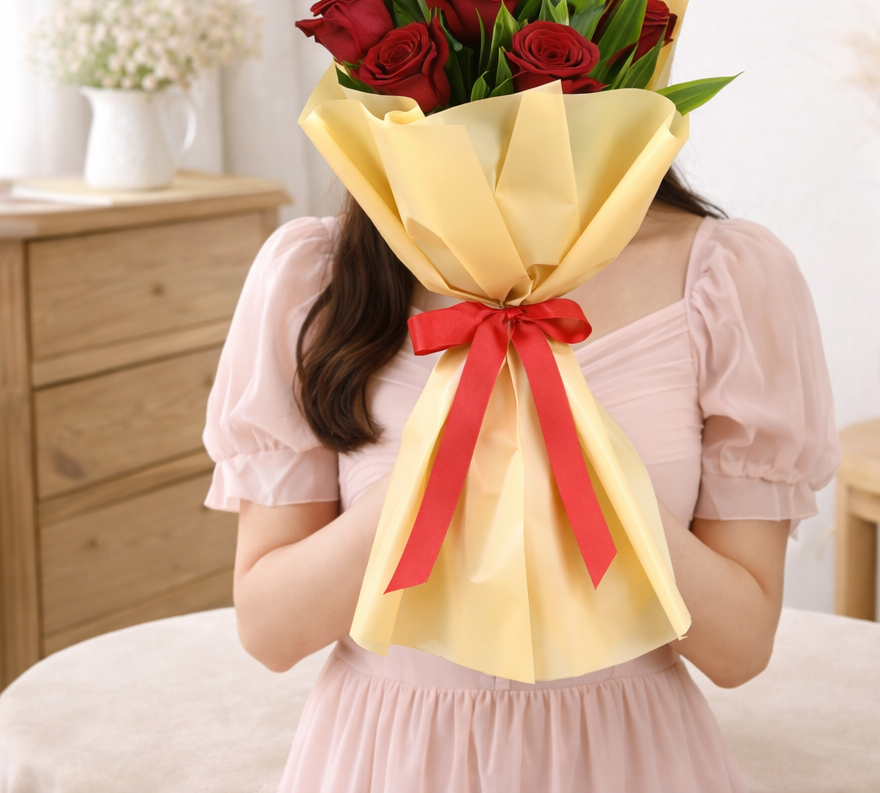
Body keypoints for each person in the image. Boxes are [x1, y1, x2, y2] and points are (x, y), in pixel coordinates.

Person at [203, 168, 841, 793]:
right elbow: (270, 632)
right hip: (387, 755)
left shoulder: (725, 276)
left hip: (627, 755)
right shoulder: (320, 271)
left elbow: (740, 649)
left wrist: (591, 470)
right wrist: (440, 466)